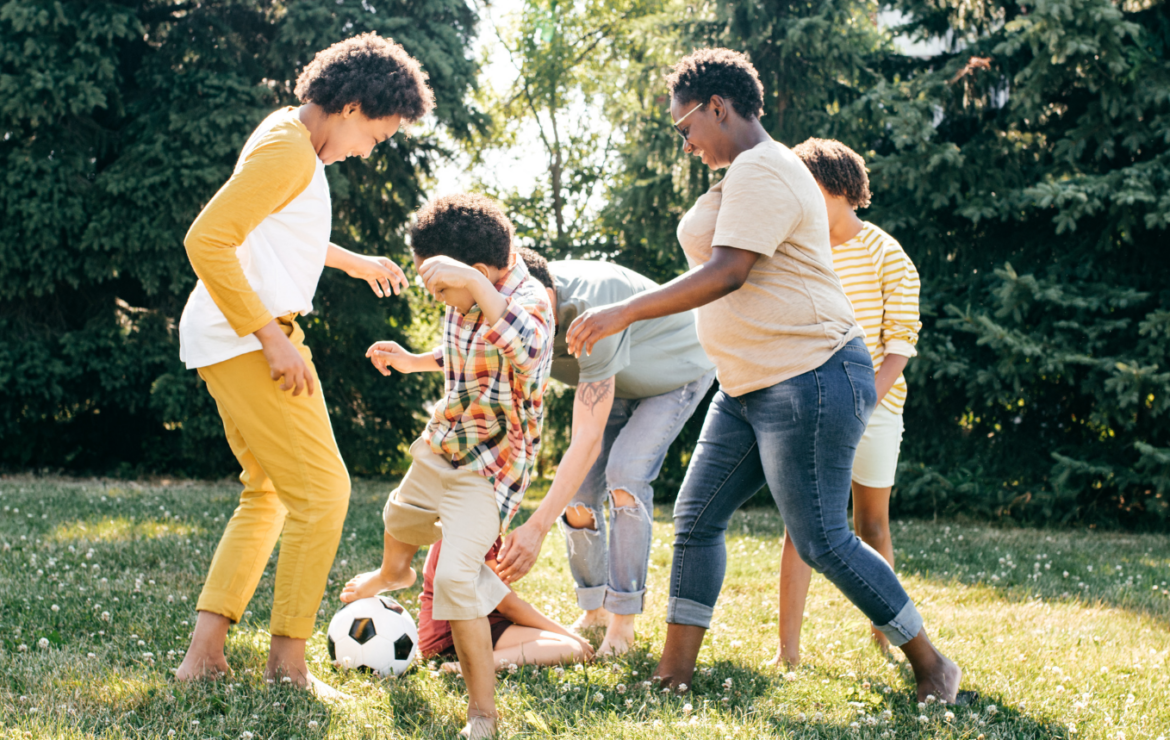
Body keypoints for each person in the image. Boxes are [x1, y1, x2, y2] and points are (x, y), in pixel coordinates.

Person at [567, 48, 968, 703]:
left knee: (821, 540)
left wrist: (623, 313)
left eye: (684, 125)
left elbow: (729, 271)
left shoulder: (763, 168)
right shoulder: (745, 174)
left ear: (717, 106)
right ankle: (673, 675)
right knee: (696, 520)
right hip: (748, 383)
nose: (685, 140)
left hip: (808, 376)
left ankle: (932, 664)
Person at [174, 33, 432, 693]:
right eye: (377, 135)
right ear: (350, 107)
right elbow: (208, 239)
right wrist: (271, 337)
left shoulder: (289, 139)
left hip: (231, 336)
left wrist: (354, 261)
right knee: (324, 493)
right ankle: (288, 669)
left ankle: (205, 657)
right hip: (246, 338)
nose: (371, 149)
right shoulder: (292, 152)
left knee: (268, 495)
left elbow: (277, 230)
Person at [339, 193, 553, 739]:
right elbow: (461, 352)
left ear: (479, 272)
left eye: (442, 290)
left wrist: (481, 292)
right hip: (445, 440)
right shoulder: (463, 302)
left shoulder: (530, 297)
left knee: (458, 578)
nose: (439, 301)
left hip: (491, 468)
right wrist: (414, 361)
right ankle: (395, 572)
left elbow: (528, 353)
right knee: (401, 514)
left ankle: (482, 715)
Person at [497, 249, 715, 657]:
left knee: (625, 476)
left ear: (548, 296)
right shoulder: (511, 310)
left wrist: (536, 527)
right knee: (578, 493)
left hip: (677, 370)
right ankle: (593, 608)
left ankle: (622, 624)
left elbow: (587, 440)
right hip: (619, 377)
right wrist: (416, 361)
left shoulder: (589, 312)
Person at [772, 138, 923, 664]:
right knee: (802, 527)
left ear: (834, 187)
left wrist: (861, 405)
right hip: (812, 405)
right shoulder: (800, 248)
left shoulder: (887, 253)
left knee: (871, 524)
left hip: (877, 409)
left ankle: (890, 637)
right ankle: (787, 652)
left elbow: (901, 346)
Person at [418, 538, 593, 672]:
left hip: (461, 627)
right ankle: (468, 667)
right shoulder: (475, 528)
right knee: (571, 649)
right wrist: (572, 636)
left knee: (569, 646)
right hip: (452, 634)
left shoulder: (470, 522)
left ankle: (469, 665)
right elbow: (509, 607)